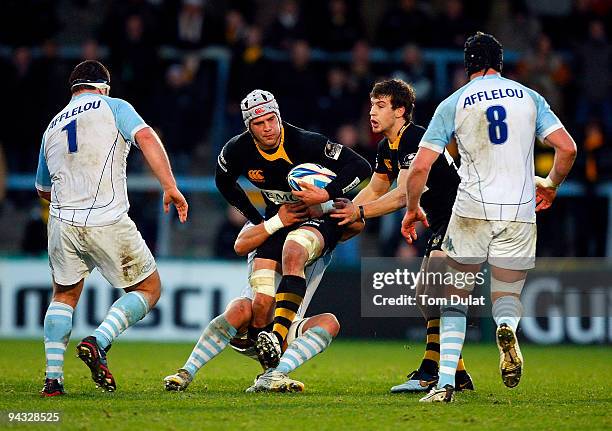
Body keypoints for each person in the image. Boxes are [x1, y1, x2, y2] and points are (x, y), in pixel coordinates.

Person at [401, 32, 576, 403]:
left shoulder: (454, 102)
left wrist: (413, 207)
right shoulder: (530, 97)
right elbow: (568, 148)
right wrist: (552, 184)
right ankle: (507, 327)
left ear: (467, 66)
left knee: (454, 298)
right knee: (507, 292)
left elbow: (419, 168)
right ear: (501, 63)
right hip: (520, 207)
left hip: (471, 208)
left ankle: (445, 382)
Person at [35, 60, 188, 397]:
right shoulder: (114, 106)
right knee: (148, 289)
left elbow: (43, 190)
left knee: (63, 295)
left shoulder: (51, 126)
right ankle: (98, 340)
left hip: (61, 222)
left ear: (73, 89)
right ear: (103, 86)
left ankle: (53, 380)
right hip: (106, 217)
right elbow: (146, 137)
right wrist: (170, 186)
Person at [330, 78, 473, 392]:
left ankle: (431, 370)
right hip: (440, 220)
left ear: (401, 111)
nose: (372, 112)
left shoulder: (416, 139)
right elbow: (377, 188)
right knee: (425, 295)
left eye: (380, 106)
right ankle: (458, 373)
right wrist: (343, 214)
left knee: (433, 289)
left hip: (459, 215)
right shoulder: (386, 146)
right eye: (372, 105)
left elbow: (403, 193)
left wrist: (361, 214)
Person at [214, 89, 371, 372]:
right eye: (259, 124)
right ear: (249, 128)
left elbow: (361, 166)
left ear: (278, 116)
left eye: (271, 120)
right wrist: (254, 218)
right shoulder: (236, 149)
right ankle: (266, 354)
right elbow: (224, 182)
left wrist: (327, 194)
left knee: (348, 227)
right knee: (261, 300)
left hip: (318, 214)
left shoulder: (305, 142)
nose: (268, 128)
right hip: (280, 218)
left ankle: (277, 337)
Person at [164, 203, 345, 393]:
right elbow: (240, 245)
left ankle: (274, 375)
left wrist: (352, 209)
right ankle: (186, 372)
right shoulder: (266, 219)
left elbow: (356, 225)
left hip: (286, 329)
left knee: (329, 323)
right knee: (240, 307)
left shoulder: (321, 230)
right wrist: (278, 221)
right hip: (252, 325)